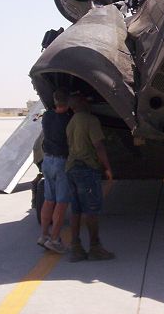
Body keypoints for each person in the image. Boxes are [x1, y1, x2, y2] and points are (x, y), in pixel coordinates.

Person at [66, 93, 115, 262]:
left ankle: (76, 248)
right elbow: (98, 145)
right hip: (87, 170)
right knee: (91, 210)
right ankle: (95, 248)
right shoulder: (90, 120)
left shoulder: (71, 122)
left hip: (71, 169)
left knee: (76, 210)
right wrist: (107, 167)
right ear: (82, 103)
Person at [37, 89, 72, 254]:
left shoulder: (47, 116)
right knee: (62, 202)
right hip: (61, 162)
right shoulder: (67, 120)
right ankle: (54, 239)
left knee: (49, 200)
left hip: (47, 161)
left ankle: (44, 235)